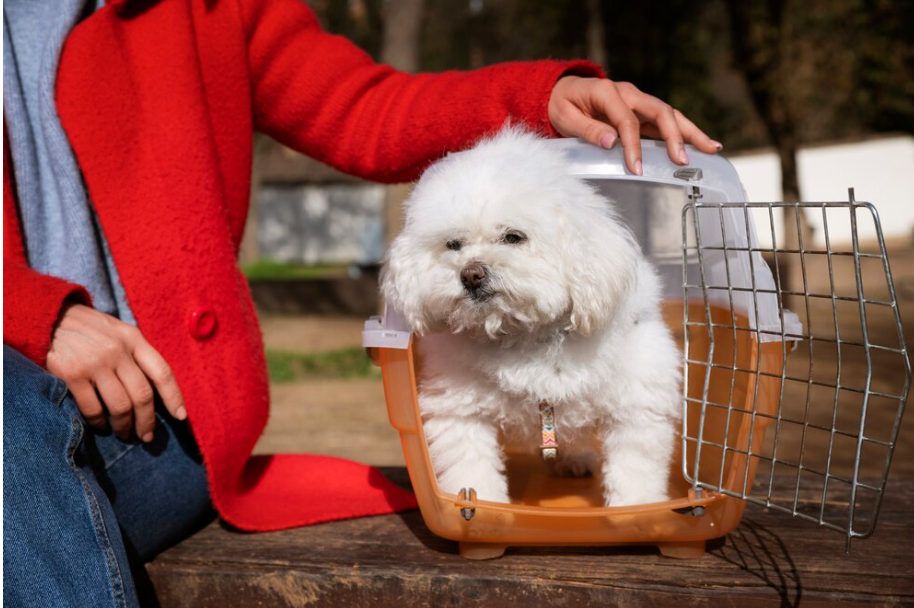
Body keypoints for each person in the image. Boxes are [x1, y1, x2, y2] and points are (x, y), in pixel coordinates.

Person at [2, 0, 721, 605]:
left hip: (150, 425)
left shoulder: (203, 9)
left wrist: (540, 94)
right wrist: (32, 313)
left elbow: (363, 108)